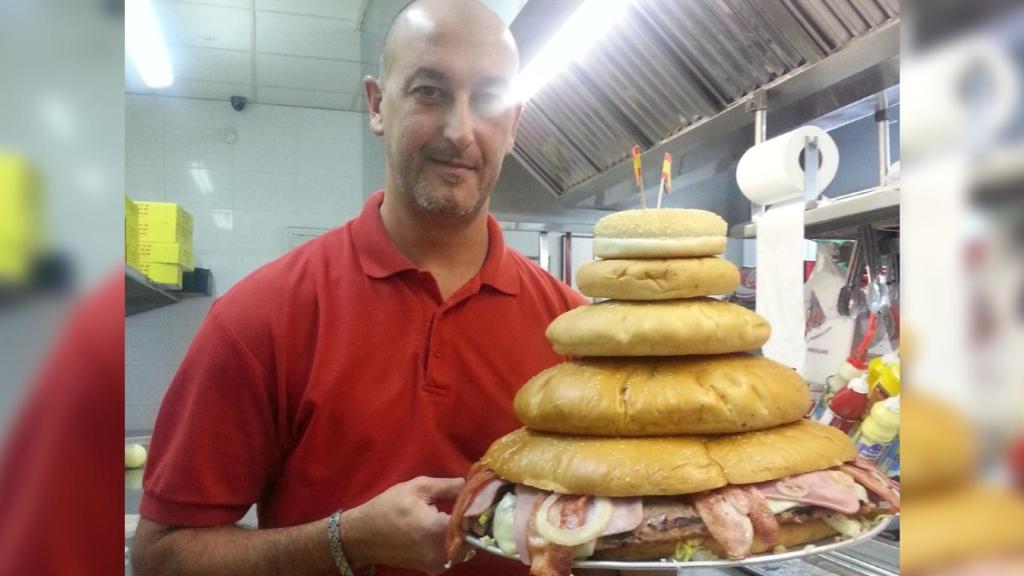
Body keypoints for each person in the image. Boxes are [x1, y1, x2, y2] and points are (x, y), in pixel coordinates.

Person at [130, 1, 586, 575]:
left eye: (489, 99)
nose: (460, 131)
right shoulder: (261, 317)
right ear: (376, 104)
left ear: (514, 124)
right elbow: (161, 557)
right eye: (429, 92)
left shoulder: (573, 333)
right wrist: (343, 542)